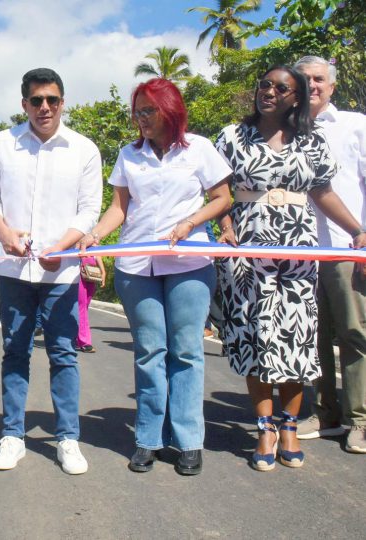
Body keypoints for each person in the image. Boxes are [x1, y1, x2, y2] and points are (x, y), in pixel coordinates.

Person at [215, 65, 366, 472]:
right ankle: (263, 427)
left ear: (296, 97)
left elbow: (323, 192)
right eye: (264, 84)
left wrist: (357, 230)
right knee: (255, 337)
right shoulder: (231, 136)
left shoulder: (312, 140)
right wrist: (225, 226)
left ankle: (289, 426)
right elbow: (215, 192)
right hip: (246, 252)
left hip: (298, 250)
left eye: (281, 87)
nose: (269, 92)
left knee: (296, 339)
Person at [78, 78, 232, 475]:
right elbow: (119, 208)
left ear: (170, 109)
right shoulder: (129, 154)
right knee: (150, 353)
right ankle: (148, 438)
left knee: (186, 352)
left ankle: (187, 441)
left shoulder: (199, 148)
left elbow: (222, 198)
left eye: (149, 110)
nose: (142, 119)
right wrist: (93, 236)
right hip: (136, 267)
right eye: (138, 112)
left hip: (190, 263)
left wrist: (190, 222)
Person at [0, 68, 102, 475]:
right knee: (15, 352)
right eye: (36, 101)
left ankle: (68, 438)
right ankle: (12, 435)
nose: (44, 107)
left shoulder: (83, 149)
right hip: (14, 270)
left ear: (63, 102)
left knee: (64, 355)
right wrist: (5, 233)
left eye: (51, 100)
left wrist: (63, 247)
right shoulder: (3, 143)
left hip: (61, 273)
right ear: (24, 104)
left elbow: (89, 209)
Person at [292, 56, 366, 454]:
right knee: (312, 337)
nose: (312, 86)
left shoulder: (356, 126)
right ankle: (325, 412)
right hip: (300, 252)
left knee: (355, 332)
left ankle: (360, 419)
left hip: (346, 247)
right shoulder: (287, 131)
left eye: (319, 80)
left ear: (331, 86)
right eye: (304, 81)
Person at [75, 255, 106, 353]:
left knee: (85, 307)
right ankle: (85, 342)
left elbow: (97, 252)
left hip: (91, 275)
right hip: (78, 275)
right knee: (82, 308)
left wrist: (103, 271)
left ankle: (75, 337)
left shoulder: (93, 243)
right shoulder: (80, 241)